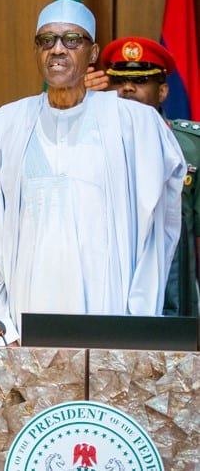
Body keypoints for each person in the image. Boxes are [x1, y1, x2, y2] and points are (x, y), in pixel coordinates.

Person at [0, 0, 185, 346]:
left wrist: (138, 324)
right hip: (29, 312)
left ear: (93, 53)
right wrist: (4, 327)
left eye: (71, 39)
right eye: (46, 41)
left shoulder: (133, 125)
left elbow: (157, 231)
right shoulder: (5, 128)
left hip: (111, 316)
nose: (57, 50)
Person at [99, 36, 200, 317]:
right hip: (104, 297)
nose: (128, 88)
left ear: (163, 91)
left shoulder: (192, 146)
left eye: (141, 80)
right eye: (118, 81)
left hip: (174, 298)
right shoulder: (89, 143)